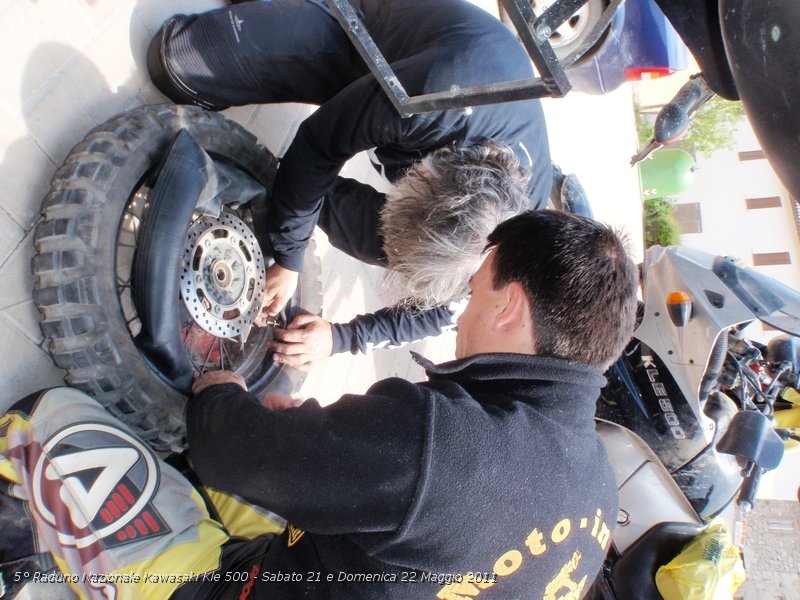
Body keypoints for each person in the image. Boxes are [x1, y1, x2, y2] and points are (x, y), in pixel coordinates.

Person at [0, 210, 638, 599]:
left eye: (475, 292)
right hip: (316, 571)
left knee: (45, 421)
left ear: (508, 306)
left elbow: (232, 450)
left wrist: (221, 401)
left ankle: (21, 555)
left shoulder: (446, 442)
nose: (461, 315)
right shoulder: (597, 497)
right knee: (229, 455)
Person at [147, 0, 553, 367]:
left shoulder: (518, 247)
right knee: (176, 63)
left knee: (408, 248)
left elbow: (442, 312)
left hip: (411, 118)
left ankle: (286, 187)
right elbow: (318, 143)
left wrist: (340, 339)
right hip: (368, 39)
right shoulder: (432, 95)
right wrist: (290, 258)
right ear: (423, 173)